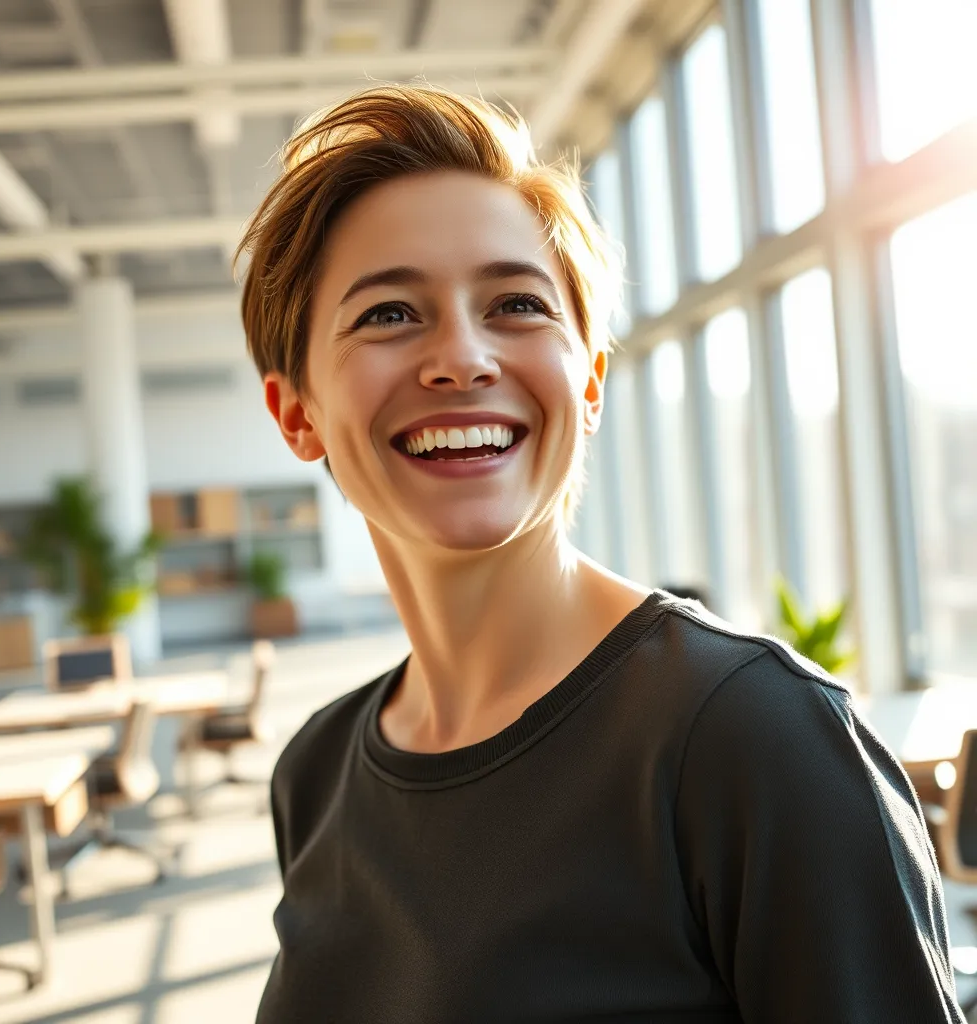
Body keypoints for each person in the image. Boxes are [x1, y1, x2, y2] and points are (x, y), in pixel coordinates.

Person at [239, 84, 965, 1023]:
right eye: (388, 314)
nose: (462, 358)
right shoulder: (318, 770)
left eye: (515, 304)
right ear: (297, 413)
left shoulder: (751, 742)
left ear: (588, 381)